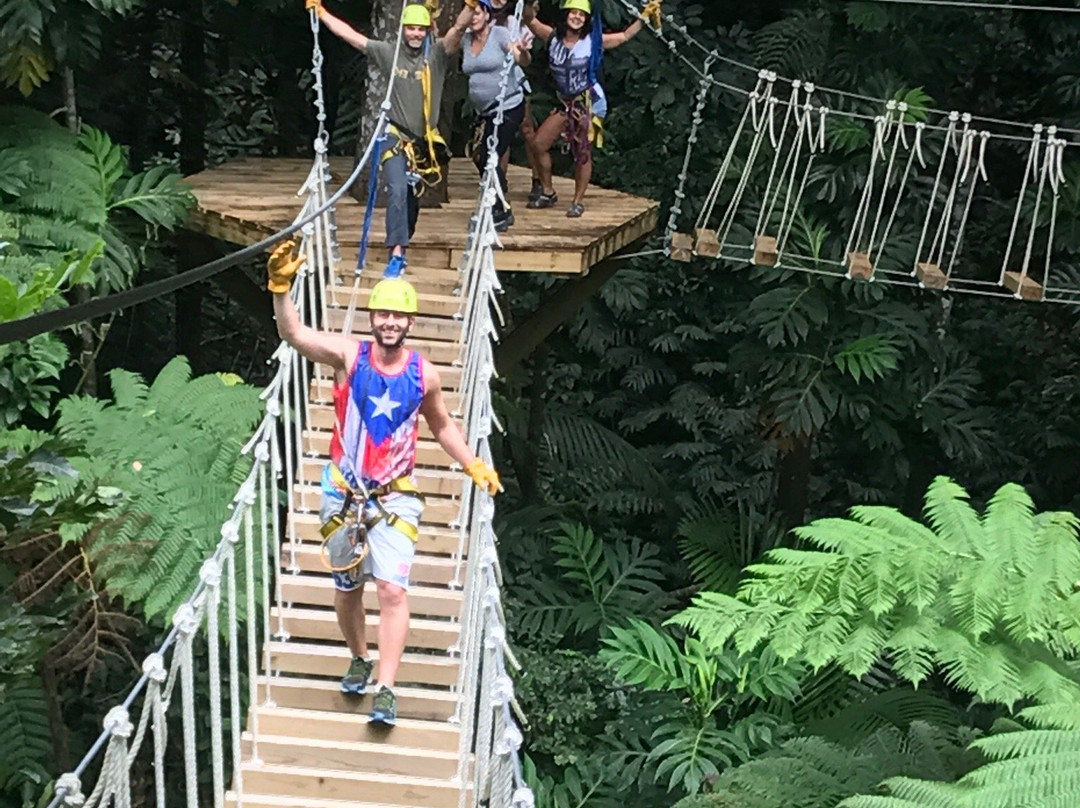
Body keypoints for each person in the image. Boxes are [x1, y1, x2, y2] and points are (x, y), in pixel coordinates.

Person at [266, 242, 502, 726]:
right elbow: (294, 334)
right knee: (348, 585)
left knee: (392, 591)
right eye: (383, 314)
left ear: (410, 323)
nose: (390, 322)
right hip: (343, 492)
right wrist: (279, 288)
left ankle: (387, 686)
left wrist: (471, 464)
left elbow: (441, 426)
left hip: (395, 495)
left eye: (399, 315)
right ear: (372, 318)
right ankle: (359, 655)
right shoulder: (348, 357)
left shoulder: (425, 375)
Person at [306, 0, 473, 275]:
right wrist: (322, 13)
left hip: (423, 146)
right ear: (402, 30)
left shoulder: (437, 56)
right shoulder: (389, 54)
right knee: (395, 190)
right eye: (411, 29)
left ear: (427, 30)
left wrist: (472, 4)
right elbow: (352, 36)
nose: (416, 34)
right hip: (395, 137)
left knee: (410, 201)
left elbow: (458, 27)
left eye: (420, 29)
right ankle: (396, 253)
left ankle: (402, 242)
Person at [525, 0, 654, 218]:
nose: (577, 17)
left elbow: (623, 37)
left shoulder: (592, 42)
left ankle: (577, 201)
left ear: (586, 19)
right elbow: (529, 19)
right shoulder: (553, 38)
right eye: (573, 13)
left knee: (582, 152)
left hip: (588, 102)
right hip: (565, 102)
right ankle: (547, 190)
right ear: (566, 15)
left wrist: (645, 16)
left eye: (581, 15)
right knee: (539, 143)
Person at [461, 0, 529, 231]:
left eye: (477, 12)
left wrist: (522, 51)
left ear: (487, 14)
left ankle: (499, 209)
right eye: (470, 13)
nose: (473, 17)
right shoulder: (466, 40)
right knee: (480, 156)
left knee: (488, 155)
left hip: (508, 105)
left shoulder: (499, 34)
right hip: (486, 111)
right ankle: (498, 204)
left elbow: (519, 57)